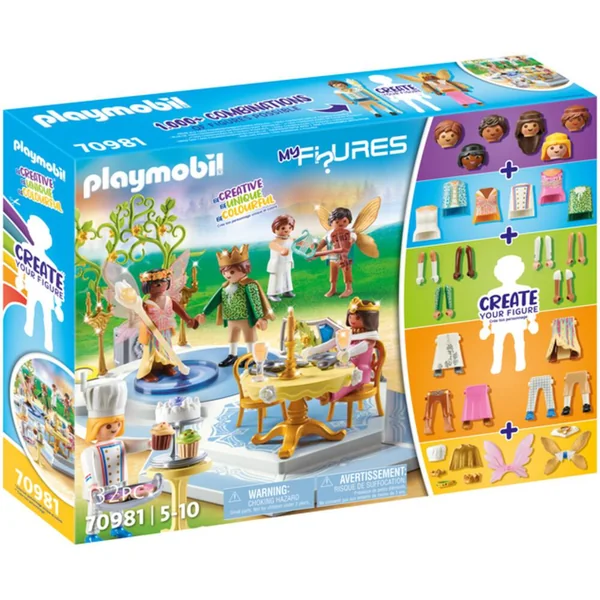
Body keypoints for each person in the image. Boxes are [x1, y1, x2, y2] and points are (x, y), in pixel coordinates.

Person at [81, 379, 151, 543]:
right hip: (99, 488)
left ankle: (117, 527)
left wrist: (148, 444)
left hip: (118, 484)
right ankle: (91, 534)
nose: (114, 428)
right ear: (95, 426)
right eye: (108, 426)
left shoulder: (120, 443)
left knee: (118, 507)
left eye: (117, 423)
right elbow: (88, 471)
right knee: (95, 511)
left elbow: (135, 445)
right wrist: (92, 485)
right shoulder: (90, 451)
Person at [198, 245, 274, 367]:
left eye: (232, 272)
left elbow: (256, 302)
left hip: (246, 317)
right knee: (232, 338)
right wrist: (204, 312)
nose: (228, 275)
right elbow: (215, 300)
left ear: (244, 269)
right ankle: (232, 355)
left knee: (249, 337)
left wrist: (260, 317)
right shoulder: (225, 287)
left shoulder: (249, 285)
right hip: (231, 318)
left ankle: (251, 356)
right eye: (224, 272)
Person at [303, 297, 380, 402]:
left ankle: (328, 394)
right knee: (325, 375)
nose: (352, 320)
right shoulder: (348, 334)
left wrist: (349, 353)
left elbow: (362, 347)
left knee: (343, 384)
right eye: (350, 316)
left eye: (357, 318)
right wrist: (313, 350)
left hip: (358, 371)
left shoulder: (370, 337)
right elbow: (332, 343)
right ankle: (314, 391)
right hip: (342, 367)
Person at [137, 268, 201, 382]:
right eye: (155, 283)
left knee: (167, 349)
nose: (160, 285)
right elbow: (142, 316)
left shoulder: (169, 300)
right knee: (151, 352)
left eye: (163, 281)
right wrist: (148, 325)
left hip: (165, 329)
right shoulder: (146, 304)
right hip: (152, 333)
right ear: (147, 286)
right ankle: (146, 371)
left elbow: (180, 310)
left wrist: (188, 320)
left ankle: (166, 366)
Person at [267, 214, 296, 302]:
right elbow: (273, 246)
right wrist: (282, 249)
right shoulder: (275, 241)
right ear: (275, 228)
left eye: (289, 228)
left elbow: (298, 242)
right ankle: (272, 293)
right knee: (276, 278)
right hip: (277, 263)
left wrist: (308, 245)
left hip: (287, 261)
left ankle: (287, 291)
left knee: (287, 277)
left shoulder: (290, 238)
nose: (287, 230)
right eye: (283, 228)